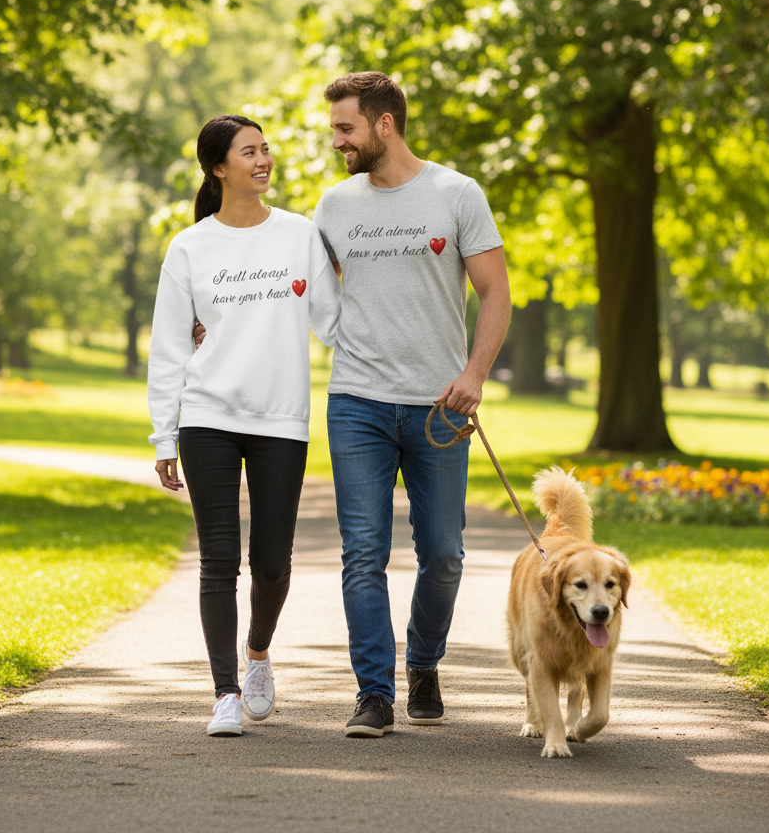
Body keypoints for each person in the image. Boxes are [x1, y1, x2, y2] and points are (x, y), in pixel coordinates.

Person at [312, 72, 511, 737]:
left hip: (439, 409)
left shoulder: (456, 194)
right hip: (357, 403)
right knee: (362, 552)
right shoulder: (334, 205)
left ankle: (423, 663)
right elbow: (296, 287)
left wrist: (474, 373)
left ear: (383, 124)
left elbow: (496, 292)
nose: (336, 140)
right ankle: (374, 693)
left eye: (345, 128)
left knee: (444, 553)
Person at [148, 114, 341, 737]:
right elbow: (170, 348)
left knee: (274, 563)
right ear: (218, 167)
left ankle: (256, 653)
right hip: (208, 417)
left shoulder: (299, 235)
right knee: (218, 560)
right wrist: (164, 435)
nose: (263, 161)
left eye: (266, 150)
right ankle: (224, 693)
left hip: (281, 417)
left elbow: (335, 325)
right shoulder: (190, 246)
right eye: (248, 152)